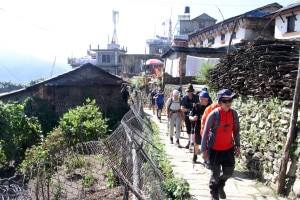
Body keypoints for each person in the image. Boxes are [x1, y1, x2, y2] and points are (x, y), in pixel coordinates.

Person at [200, 89, 240, 200]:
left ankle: (221, 185)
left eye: (230, 100)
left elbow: (236, 131)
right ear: (219, 102)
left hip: (228, 149)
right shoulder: (213, 114)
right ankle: (214, 192)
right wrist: (204, 150)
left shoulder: (234, 114)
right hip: (215, 149)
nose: (228, 103)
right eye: (224, 101)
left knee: (229, 172)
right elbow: (205, 131)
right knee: (215, 174)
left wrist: (238, 146)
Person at [189, 91, 212, 163]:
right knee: (196, 143)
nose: (200, 100)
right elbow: (190, 116)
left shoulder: (211, 107)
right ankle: (195, 156)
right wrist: (193, 118)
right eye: (200, 98)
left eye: (202, 99)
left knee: (207, 144)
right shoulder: (196, 106)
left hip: (208, 129)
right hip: (198, 128)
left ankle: (206, 159)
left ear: (207, 99)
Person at [181, 83, 199, 149]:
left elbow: (199, 106)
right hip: (187, 116)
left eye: (191, 91)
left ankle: (192, 143)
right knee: (188, 129)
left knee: (194, 129)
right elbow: (182, 108)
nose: (190, 93)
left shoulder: (196, 97)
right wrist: (188, 110)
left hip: (195, 116)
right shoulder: (184, 98)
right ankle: (190, 141)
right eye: (189, 91)